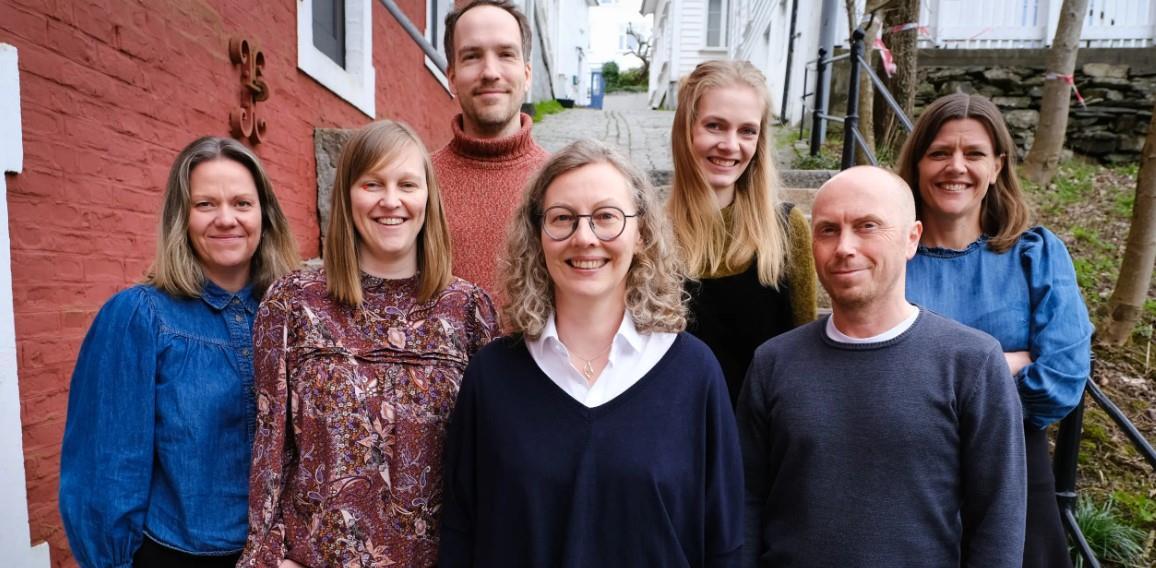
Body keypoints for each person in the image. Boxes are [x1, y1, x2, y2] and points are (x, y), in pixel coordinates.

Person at [439, 139, 743, 567]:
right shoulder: (491, 377)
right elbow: (460, 535)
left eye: (606, 217)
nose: (584, 238)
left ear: (641, 234)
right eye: (562, 218)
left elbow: (725, 543)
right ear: (538, 236)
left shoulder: (695, 373)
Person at [738, 166, 1027, 567]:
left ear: (912, 238)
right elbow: (745, 503)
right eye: (827, 230)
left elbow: (999, 521)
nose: (844, 247)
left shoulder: (972, 362)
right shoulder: (773, 362)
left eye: (867, 226)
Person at [238, 121, 497, 567]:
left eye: (407, 184)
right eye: (372, 184)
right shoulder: (294, 303)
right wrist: (268, 555)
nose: (390, 200)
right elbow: (269, 447)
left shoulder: (469, 311)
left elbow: (489, 463)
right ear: (347, 196)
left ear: (428, 197)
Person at [59, 136, 300, 567]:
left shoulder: (294, 316)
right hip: (178, 555)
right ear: (181, 218)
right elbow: (105, 473)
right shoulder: (138, 317)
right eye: (205, 204)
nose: (226, 218)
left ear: (264, 216)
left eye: (242, 203)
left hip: (282, 556)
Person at [897, 92, 1093, 568]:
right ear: (918, 163)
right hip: (906, 477)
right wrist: (1008, 362)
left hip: (1016, 473)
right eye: (939, 152)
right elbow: (873, 374)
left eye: (974, 153)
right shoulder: (891, 258)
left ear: (997, 166)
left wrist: (930, 381)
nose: (956, 167)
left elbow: (1062, 381)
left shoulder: (1035, 255)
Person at [668, 60, 816, 405]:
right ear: (686, 130)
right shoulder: (651, 235)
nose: (730, 145)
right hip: (681, 426)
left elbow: (805, 359)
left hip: (763, 428)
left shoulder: (787, 230)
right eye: (715, 126)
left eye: (747, 131)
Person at [433, 0, 549, 296]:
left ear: (527, 75)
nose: (490, 72)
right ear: (452, 78)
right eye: (472, 56)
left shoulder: (558, 182)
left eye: (506, 54)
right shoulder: (417, 184)